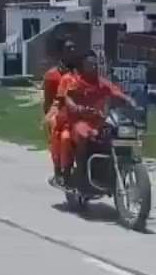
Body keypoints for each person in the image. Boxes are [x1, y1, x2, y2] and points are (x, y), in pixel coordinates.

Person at [55, 51, 138, 185]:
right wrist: (76, 107)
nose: (92, 67)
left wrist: (129, 100)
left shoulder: (102, 82)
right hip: (80, 122)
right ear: (83, 65)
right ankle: (81, 171)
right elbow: (68, 97)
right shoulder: (76, 82)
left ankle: (112, 168)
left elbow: (115, 91)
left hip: (99, 121)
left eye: (94, 64)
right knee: (84, 135)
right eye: (89, 64)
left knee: (116, 134)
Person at [42, 38, 80, 187]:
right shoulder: (52, 75)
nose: (72, 51)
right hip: (59, 114)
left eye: (74, 48)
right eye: (68, 48)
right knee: (60, 137)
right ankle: (59, 170)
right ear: (61, 52)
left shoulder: (80, 72)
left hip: (77, 114)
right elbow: (49, 101)